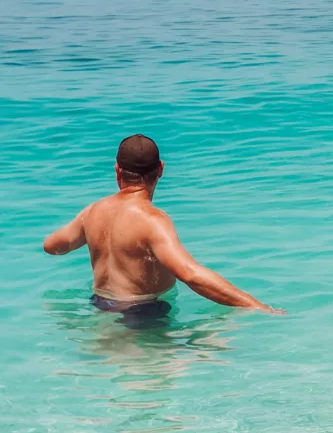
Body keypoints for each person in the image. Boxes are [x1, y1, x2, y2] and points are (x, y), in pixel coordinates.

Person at [43, 134, 285, 319]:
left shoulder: (93, 211)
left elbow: (52, 246)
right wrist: (256, 306)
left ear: (117, 171)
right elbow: (189, 273)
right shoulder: (152, 220)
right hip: (143, 315)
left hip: (99, 305)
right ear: (160, 169)